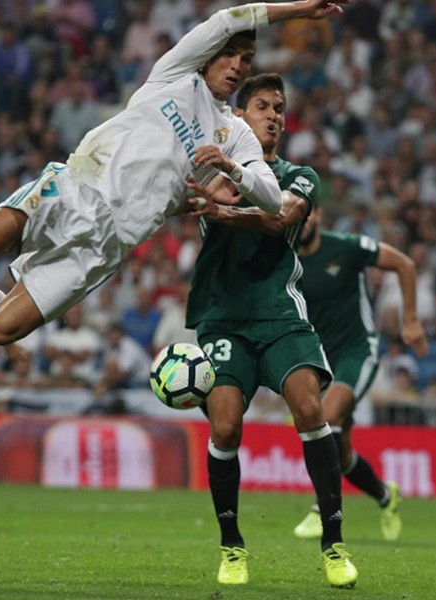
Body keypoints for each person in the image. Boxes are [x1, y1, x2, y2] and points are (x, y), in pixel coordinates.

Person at [0, 1, 350, 356]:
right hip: (69, 191)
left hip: (101, 249)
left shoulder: (234, 136)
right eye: (230, 54)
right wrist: (297, 10)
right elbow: (228, 18)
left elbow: (272, 198)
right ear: (209, 58)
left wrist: (229, 168)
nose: (236, 61)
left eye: (245, 58)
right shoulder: (173, 76)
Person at [184, 73, 357, 588]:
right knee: (226, 427)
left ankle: (334, 543)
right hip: (223, 318)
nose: (275, 116)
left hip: (280, 315)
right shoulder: (213, 171)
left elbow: (281, 218)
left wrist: (223, 208)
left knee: (310, 408)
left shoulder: (300, 174)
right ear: (239, 117)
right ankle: (232, 547)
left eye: (280, 108)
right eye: (263, 106)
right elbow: (188, 200)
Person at [291, 205, 429, 541]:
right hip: (320, 358)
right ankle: (386, 496)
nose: (303, 219)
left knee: (324, 417)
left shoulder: (347, 247)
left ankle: (321, 510)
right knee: (343, 454)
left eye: (307, 212)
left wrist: (410, 320)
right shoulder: (286, 258)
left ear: (319, 215)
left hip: (358, 351)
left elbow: (404, 264)